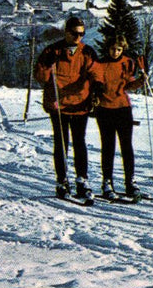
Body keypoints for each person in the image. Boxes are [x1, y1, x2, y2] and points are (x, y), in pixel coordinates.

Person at [34, 15, 98, 201]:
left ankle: (82, 179)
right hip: (58, 105)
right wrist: (47, 65)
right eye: (75, 33)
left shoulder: (88, 52)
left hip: (79, 104)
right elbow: (41, 77)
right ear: (66, 32)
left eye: (82, 34)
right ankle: (62, 180)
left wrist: (96, 92)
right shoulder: (52, 51)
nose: (78, 37)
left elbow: (96, 75)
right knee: (61, 143)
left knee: (79, 142)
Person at [89, 35, 145, 200]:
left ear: (123, 49)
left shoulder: (127, 63)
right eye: (113, 49)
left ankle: (130, 182)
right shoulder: (100, 64)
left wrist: (141, 81)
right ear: (108, 48)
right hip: (105, 109)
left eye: (119, 49)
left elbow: (129, 85)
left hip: (123, 108)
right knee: (108, 147)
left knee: (126, 147)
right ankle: (107, 182)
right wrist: (96, 92)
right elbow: (97, 80)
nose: (115, 52)